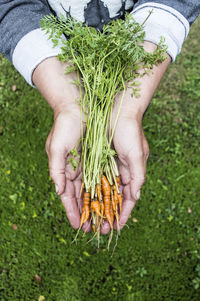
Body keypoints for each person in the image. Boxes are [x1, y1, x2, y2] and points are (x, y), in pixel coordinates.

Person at [0, 1, 199, 234]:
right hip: (64, 54)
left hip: (128, 54)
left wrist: (130, 108)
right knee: (90, 97)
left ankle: (124, 109)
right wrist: (66, 103)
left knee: (113, 100)